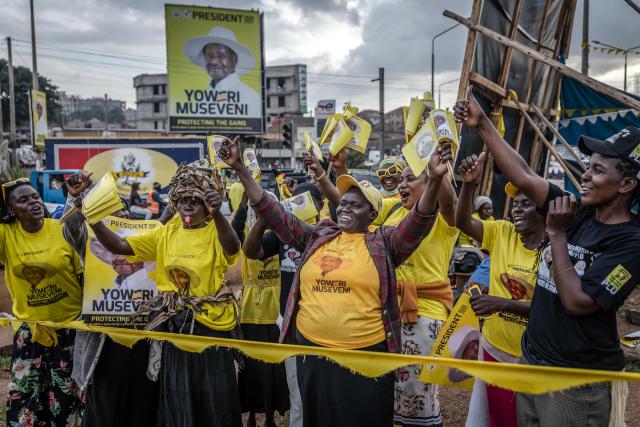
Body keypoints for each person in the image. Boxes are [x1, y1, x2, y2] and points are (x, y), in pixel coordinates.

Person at [219, 136, 450, 427]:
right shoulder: (318, 235)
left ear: (372, 214)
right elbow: (272, 211)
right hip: (313, 354)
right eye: (344, 204)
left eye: (355, 205)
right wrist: (239, 167)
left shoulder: (384, 243)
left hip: (365, 358)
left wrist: (435, 181)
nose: (345, 208)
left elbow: (419, 219)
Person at [455, 88, 640, 426]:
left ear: (626, 184)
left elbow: (578, 303)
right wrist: (482, 124)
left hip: (574, 380)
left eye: (597, 170)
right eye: (587, 166)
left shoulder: (630, 242)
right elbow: (523, 174)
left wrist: (556, 234)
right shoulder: (580, 211)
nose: (585, 175)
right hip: (533, 362)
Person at [86, 161, 242, 427]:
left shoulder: (217, 231)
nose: (188, 205)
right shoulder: (165, 232)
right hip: (175, 326)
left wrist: (218, 215)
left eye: (195, 199)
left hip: (211, 328)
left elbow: (232, 247)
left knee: (214, 399)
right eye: (182, 199)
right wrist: (93, 219)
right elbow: (120, 245)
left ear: (208, 203)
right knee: (178, 395)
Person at [62, 171, 159, 427]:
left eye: (121, 211)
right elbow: (72, 229)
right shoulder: (93, 243)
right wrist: (77, 197)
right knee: (104, 407)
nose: (119, 258)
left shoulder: (149, 239)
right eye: (110, 214)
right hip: (104, 344)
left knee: (142, 405)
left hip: (144, 340)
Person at [456, 154, 545, 427]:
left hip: (530, 358)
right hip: (494, 349)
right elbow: (462, 222)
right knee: (494, 418)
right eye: (515, 204)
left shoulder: (557, 250)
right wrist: (468, 185)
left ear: (545, 211)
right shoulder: (502, 233)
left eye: (526, 204)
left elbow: (556, 308)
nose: (516, 209)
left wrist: (503, 304)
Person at [0, 178, 83, 426]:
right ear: (11, 209)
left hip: (69, 330)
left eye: (35, 196)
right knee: (23, 396)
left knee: (65, 396)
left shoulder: (61, 229)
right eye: (23, 200)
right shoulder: (6, 235)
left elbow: (83, 274)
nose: (33, 202)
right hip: (30, 331)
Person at [242, 183, 326, 427]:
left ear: (321, 205)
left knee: (322, 388)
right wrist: (265, 220)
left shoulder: (330, 233)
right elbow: (251, 251)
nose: (303, 205)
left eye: (309, 200)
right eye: (298, 200)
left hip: (322, 325)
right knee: (296, 388)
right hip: (290, 324)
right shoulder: (284, 235)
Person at [230, 191, 291, 427]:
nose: (261, 213)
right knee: (253, 370)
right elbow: (234, 230)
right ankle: (253, 415)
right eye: (258, 210)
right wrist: (244, 200)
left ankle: (271, 415)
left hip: (276, 313)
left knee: (275, 371)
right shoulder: (247, 237)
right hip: (251, 313)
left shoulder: (284, 236)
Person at [184, 27, 261, 117]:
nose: (214, 62)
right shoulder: (202, 99)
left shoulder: (251, 97)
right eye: (209, 56)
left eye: (221, 56)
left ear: (234, 59)